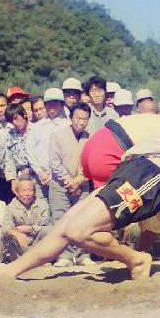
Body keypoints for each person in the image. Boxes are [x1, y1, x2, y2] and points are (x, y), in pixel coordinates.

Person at [0, 114, 160, 281]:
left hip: (152, 177)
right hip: (144, 170)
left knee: (78, 230)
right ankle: (10, 270)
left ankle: (136, 259)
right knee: (68, 223)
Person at [48, 102, 92, 266]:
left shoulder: (90, 138)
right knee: (60, 220)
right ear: (70, 117)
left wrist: (78, 181)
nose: (81, 122)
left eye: (85, 119)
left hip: (82, 185)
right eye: (78, 118)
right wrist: (69, 182)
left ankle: (83, 256)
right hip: (60, 186)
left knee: (85, 220)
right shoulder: (57, 136)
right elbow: (54, 162)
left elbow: (91, 164)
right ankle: (63, 256)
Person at [24, 88, 69, 198]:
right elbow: (29, 151)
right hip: (40, 179)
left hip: (62, 179)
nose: (52, 106)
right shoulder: (36, 127)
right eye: (49, 103)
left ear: (62, 104)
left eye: (56, 103)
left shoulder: (68, 125)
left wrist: (57, 175)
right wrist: (39, 172)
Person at [5, 177, 51, 253]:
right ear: (16, 192)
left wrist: (31, 229)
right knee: (9, 237)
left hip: (38, 242)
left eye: (30, 190)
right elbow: (5, 227)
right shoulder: (11, 207)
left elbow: (46, 226)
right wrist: (16, 233)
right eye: (23, 190)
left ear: (34, 192)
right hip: (22, 244)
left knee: (50, 230)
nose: (27, 194)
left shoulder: (42, 204)